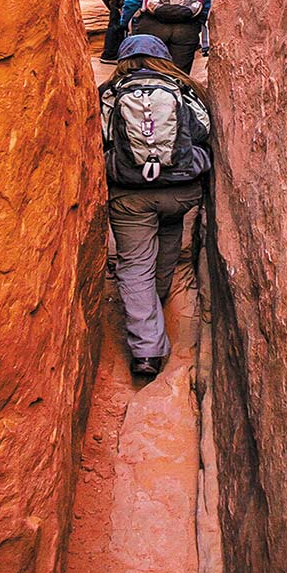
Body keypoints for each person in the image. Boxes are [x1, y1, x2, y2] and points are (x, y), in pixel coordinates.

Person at [99, 34, 212, 377]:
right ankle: (155, 306)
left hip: (130, 193)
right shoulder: (182, 89)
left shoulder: (110, 93)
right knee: (169, 237)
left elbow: (100, 137)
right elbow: (203, 131)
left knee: (134, 265)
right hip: (180, 192)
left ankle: (147, 349)